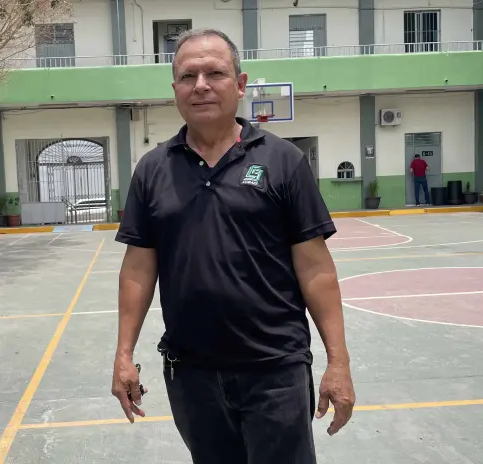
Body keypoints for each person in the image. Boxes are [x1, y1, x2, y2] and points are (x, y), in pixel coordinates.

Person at [110, 28, 355, 464]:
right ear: (175, 90)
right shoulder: (153, 170)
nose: (200, 85)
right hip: (191, 373)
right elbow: (138, 270)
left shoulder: (283, 161)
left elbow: (316, 270)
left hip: (275, 369)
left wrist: (338, 363)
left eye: (215, 73)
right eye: (188, 76)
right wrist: (123, 356)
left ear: (240, 85)